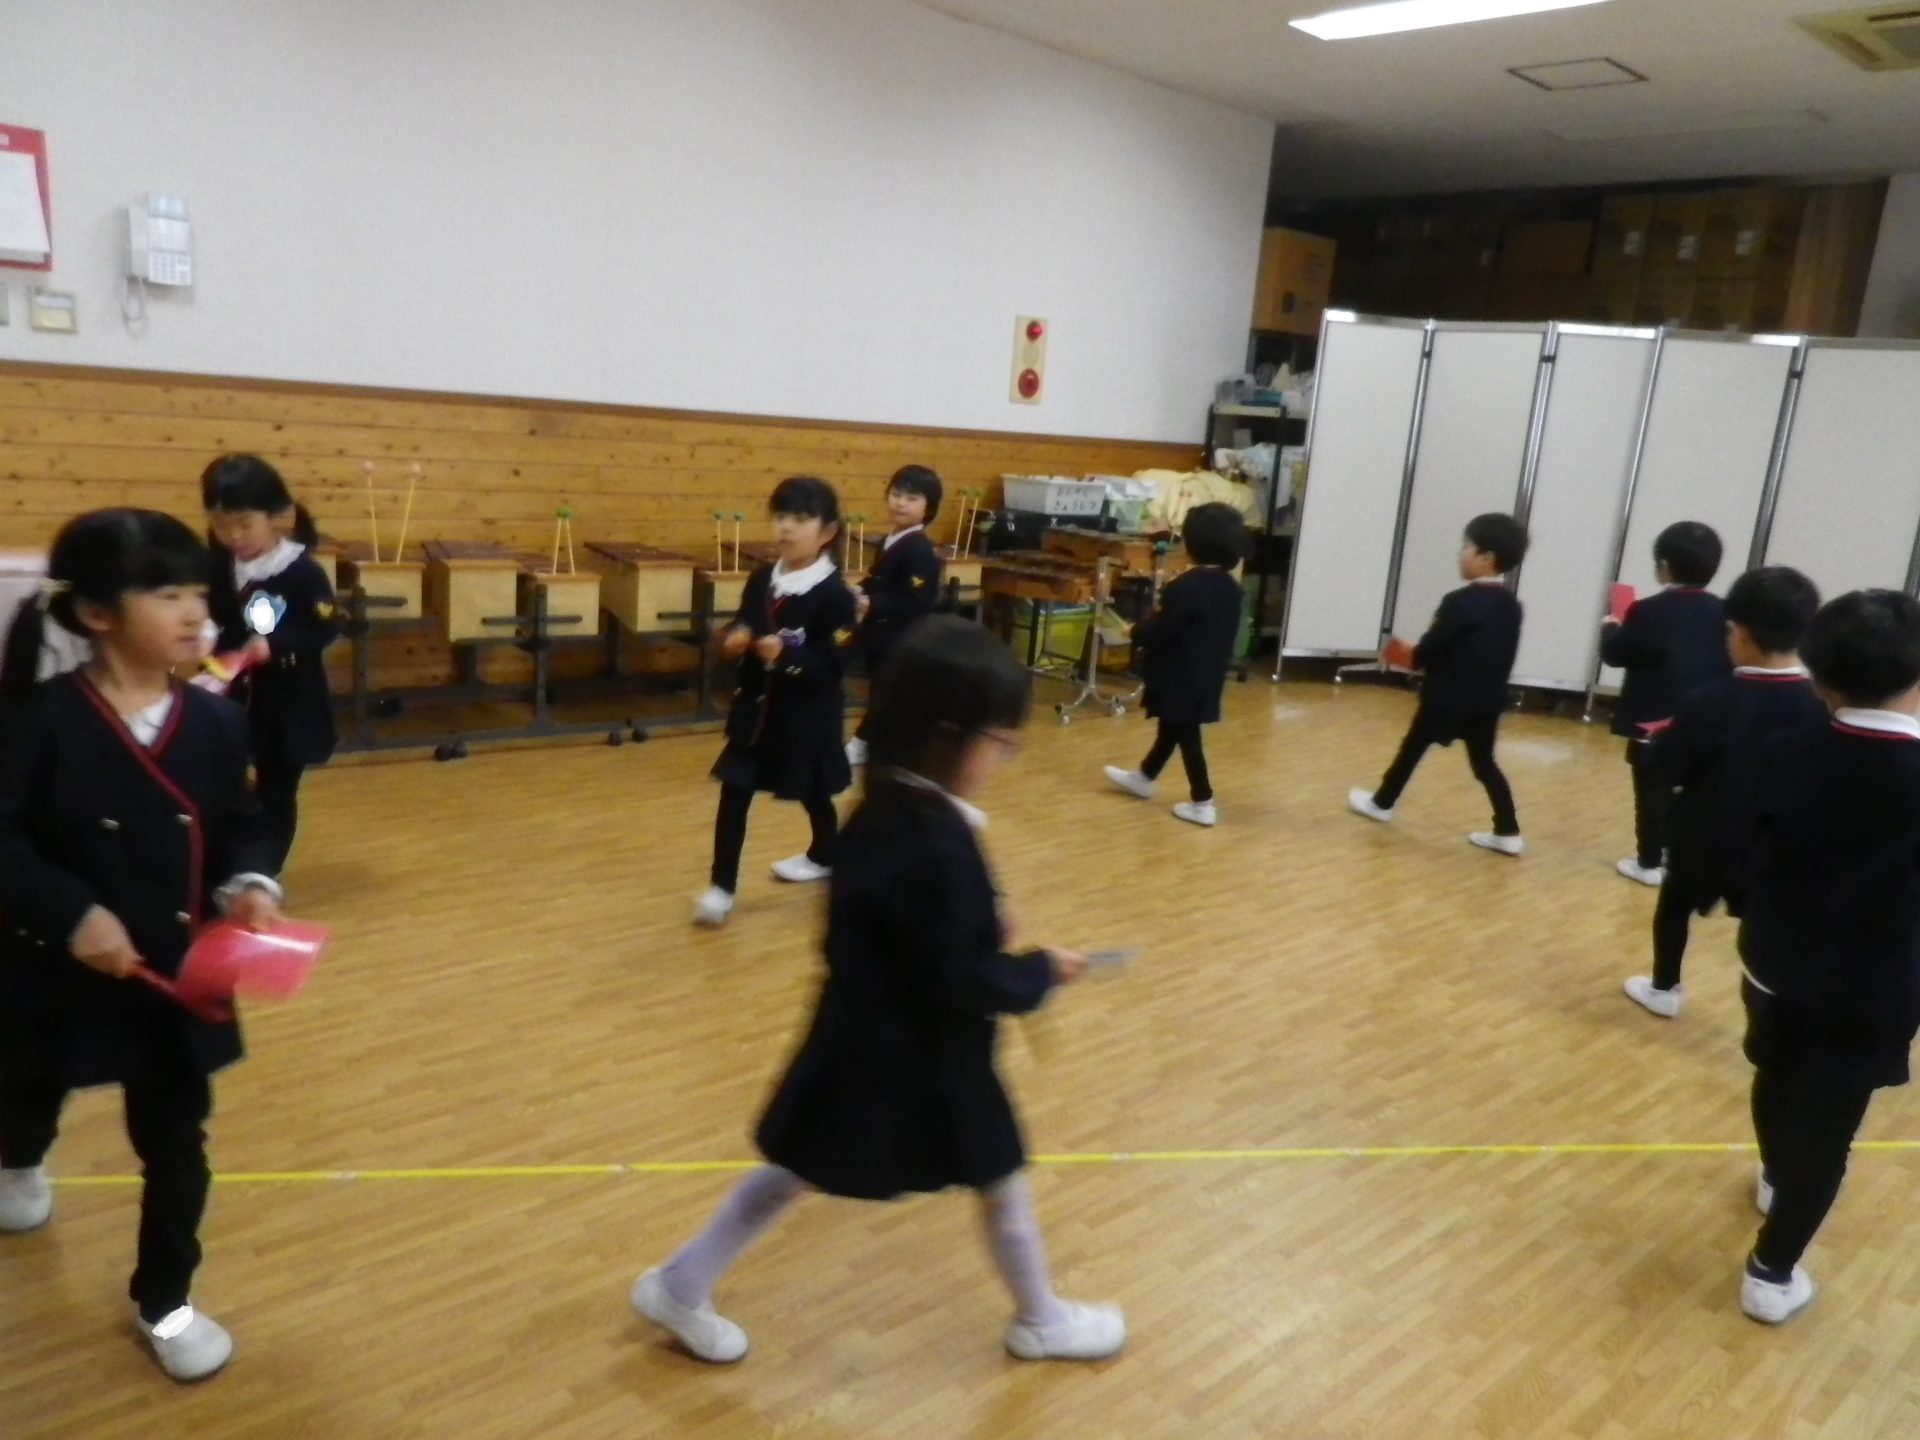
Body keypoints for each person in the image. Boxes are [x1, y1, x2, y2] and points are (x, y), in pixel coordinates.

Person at [635, 615, 1122, 1363]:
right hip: (923, 1057)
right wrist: (1036, 970)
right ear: (948, 735)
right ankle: (1042, 1321)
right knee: (998, 1176)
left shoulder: (884, 804)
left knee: (797, 1169)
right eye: (1000, 743)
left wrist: (979, 929)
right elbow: (961, 977)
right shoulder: (937, 839)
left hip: (856, 1040)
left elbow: (886, 933)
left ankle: (682, 1281)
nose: (1003, 759)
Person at [0, 508, 283, 1382]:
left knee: (176, 1148)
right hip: (55, 965)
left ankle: (167, 1302)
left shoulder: (216, 724)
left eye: (200, 592)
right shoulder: (38, 720)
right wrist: (73, 913)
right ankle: (18, 1162)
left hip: (170, 977)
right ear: (96, 614)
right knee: (29, 1085)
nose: (197, 613)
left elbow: (242, 824)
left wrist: (249, 883)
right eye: (167, 595)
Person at [1733, 589, 1920, 1324]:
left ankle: (1774, 1175)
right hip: (1871, 993)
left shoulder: (1786, 750)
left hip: (1774, 964)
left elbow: (1749, 852)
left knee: (1774, 1074)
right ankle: (1770, 1272)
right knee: (1828, 1130)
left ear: (1818, 678)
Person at [1621, 567, 1825, 1019]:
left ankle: (1664, 987)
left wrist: (1662, 742)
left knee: (1675, 907)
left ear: (1739, 633)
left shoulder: (1710, 699)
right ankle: (1775, 999)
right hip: (1776, 845)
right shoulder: (1818, 705)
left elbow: (1668, 767)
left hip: (1706, 834)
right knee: (1766, 922)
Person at [696, 476, 858, 927]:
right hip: (755, 717)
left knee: (813, 793)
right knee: (734, 793)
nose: (786, 527)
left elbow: (834, 667)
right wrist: (735, 638)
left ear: (827, 532)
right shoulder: (760, 579)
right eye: (781, 516)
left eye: (801, 519)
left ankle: (827, 853)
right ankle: (721, 886)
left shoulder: (835, 596)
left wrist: (786, 658)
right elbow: (745, 622)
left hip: (806, 720)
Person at [1348, 512, 1528, 856]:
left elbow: (1428, 653)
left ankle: (1382, 803)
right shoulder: (1512, 607)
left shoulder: (1458, 602)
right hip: (1487, 700)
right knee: (1484, 764)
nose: (1460, 554)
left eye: (1467, 547)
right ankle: (1508, 831)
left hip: (1446, 697)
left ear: (1486, 557)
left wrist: (1402, 653)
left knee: (1413, 747)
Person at [202, 455, 339, 874]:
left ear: (278, 516)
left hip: (288, 705)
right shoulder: (219, 567)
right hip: (231, 701)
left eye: (244, 524)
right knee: (227, 786)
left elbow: (322, 628)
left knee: (276, 792)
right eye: (221, 525)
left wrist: (274, 646)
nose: (233, 536)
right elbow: (217, 621)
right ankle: (232, 865)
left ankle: (263, 876)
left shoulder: (301, 573)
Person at [1102, 502, 1247, 827]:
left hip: (1179, 673)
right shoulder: (1230, 588)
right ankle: (1144, 776)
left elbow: (1164, 630)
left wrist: (1134, 631)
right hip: (1206, 674)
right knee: (1172, 726)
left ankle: (1203, 801)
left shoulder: (1185, 586)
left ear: (1193, 544)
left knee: (1186, 734)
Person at [1602, 521, 1729, 886]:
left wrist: (1612, 626)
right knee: (1689, 789)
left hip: (1652, 717)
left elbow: (1616, 654)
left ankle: (1649, 861)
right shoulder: (1724, 611)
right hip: (1703, 718)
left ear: (1664, 566)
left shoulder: (1647, 610)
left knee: (1650, 789)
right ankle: (1679, 852)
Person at [845, 464, 944, 768]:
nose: (901, 503)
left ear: (928, 509)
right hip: (880, 634)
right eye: (897, 495)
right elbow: (879, 579)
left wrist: (871, 604)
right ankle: (890, 744)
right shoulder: (891, 539)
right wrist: (858, 590)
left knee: (886, 694)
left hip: (901, 637)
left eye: (912, 498)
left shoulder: (919, 550)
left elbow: (916, 601)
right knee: (884, 691)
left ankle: (862, 744)